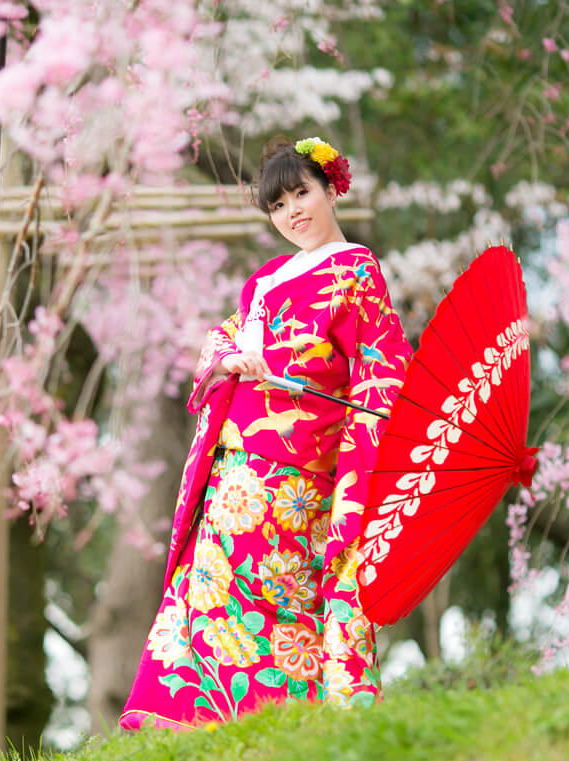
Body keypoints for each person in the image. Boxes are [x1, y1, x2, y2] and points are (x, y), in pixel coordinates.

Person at [119, 136, 413, 729]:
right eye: (278, 206)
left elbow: (381, 370)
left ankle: (285, 714)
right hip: (236, 456)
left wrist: (360, 469)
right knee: (214, 584)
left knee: (280, 591)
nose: (293, 213)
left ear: (332, 188)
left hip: (299, 463)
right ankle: (212, 718)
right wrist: (231, 360)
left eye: (302, 194)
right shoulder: (265, 280)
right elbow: (222, 336)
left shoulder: (357, 270)